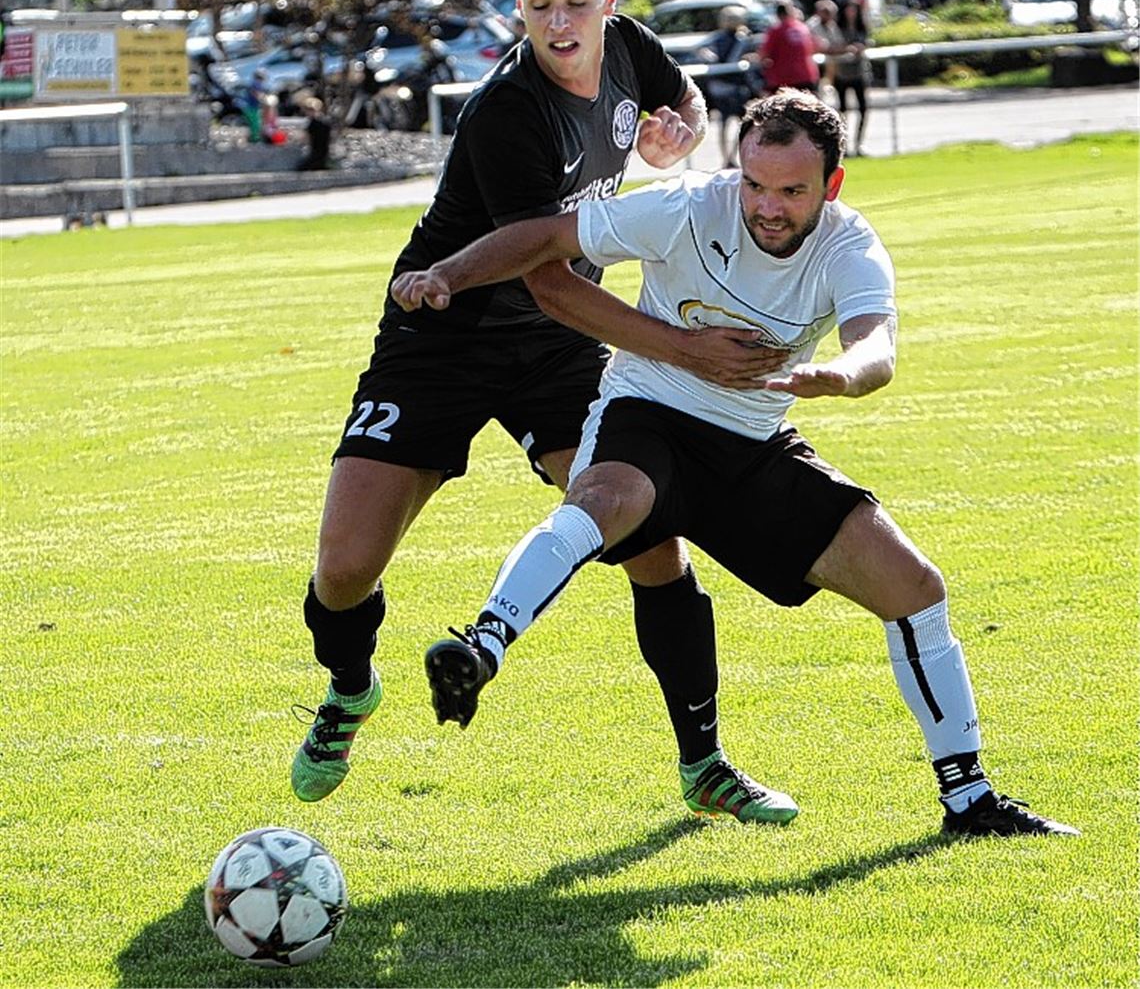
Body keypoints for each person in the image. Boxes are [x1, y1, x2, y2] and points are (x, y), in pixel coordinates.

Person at [392, 89, 1080, 838]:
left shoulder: (850, 245)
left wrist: (840, 375)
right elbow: (545, 238)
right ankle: (484, 645)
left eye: (792, 191)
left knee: (915, 589)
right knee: (604, 497)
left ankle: (968, 798)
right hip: (647, 413)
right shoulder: (689, 205)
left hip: (753, 444)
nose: (769, 207)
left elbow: (877, 345)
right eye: (755, 184)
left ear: (831, 186)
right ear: (737, 170)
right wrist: (449, 274)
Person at [290, 0, 782, 812]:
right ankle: (351, 688)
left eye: (576, 2)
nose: (560, 23)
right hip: (440, 332)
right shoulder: (509, 113)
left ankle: (704, 766)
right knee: (346, 567)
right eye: (539, 5)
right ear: (517, 6)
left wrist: (677, 131)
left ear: (609, 0)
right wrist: (683, 354)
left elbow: (688, 102)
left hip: (553, 352)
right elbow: (550, 279)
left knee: (648, 538)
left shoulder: (630, 47)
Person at [703, 5, 755, 168]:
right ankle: (732, 157)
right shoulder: (742, 39)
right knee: (742, 125)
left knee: (724, 125)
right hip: (735, 88)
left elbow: (704, 52)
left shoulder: (715, 39)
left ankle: (727, 158)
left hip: (718, 87)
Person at [758, 0, 819, 97]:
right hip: (807, 75)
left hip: (783, 79)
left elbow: (764, 54)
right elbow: (814, 47)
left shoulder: (776, 31)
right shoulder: (803, 28)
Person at [836, 0, 873, 156]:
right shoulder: (837, 28)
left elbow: (867, 41)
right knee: (842, 110)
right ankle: (843, 146)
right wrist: (845, 49)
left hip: (859, 72)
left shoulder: (861, 28)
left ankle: (858, 144)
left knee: (863, 108)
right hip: (842, 73)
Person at [806, 0, 843, 99]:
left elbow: (838, 42)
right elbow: (819, 46)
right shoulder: (811, 26)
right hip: (816, 66)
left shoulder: (832, 25)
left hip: (829, 64)